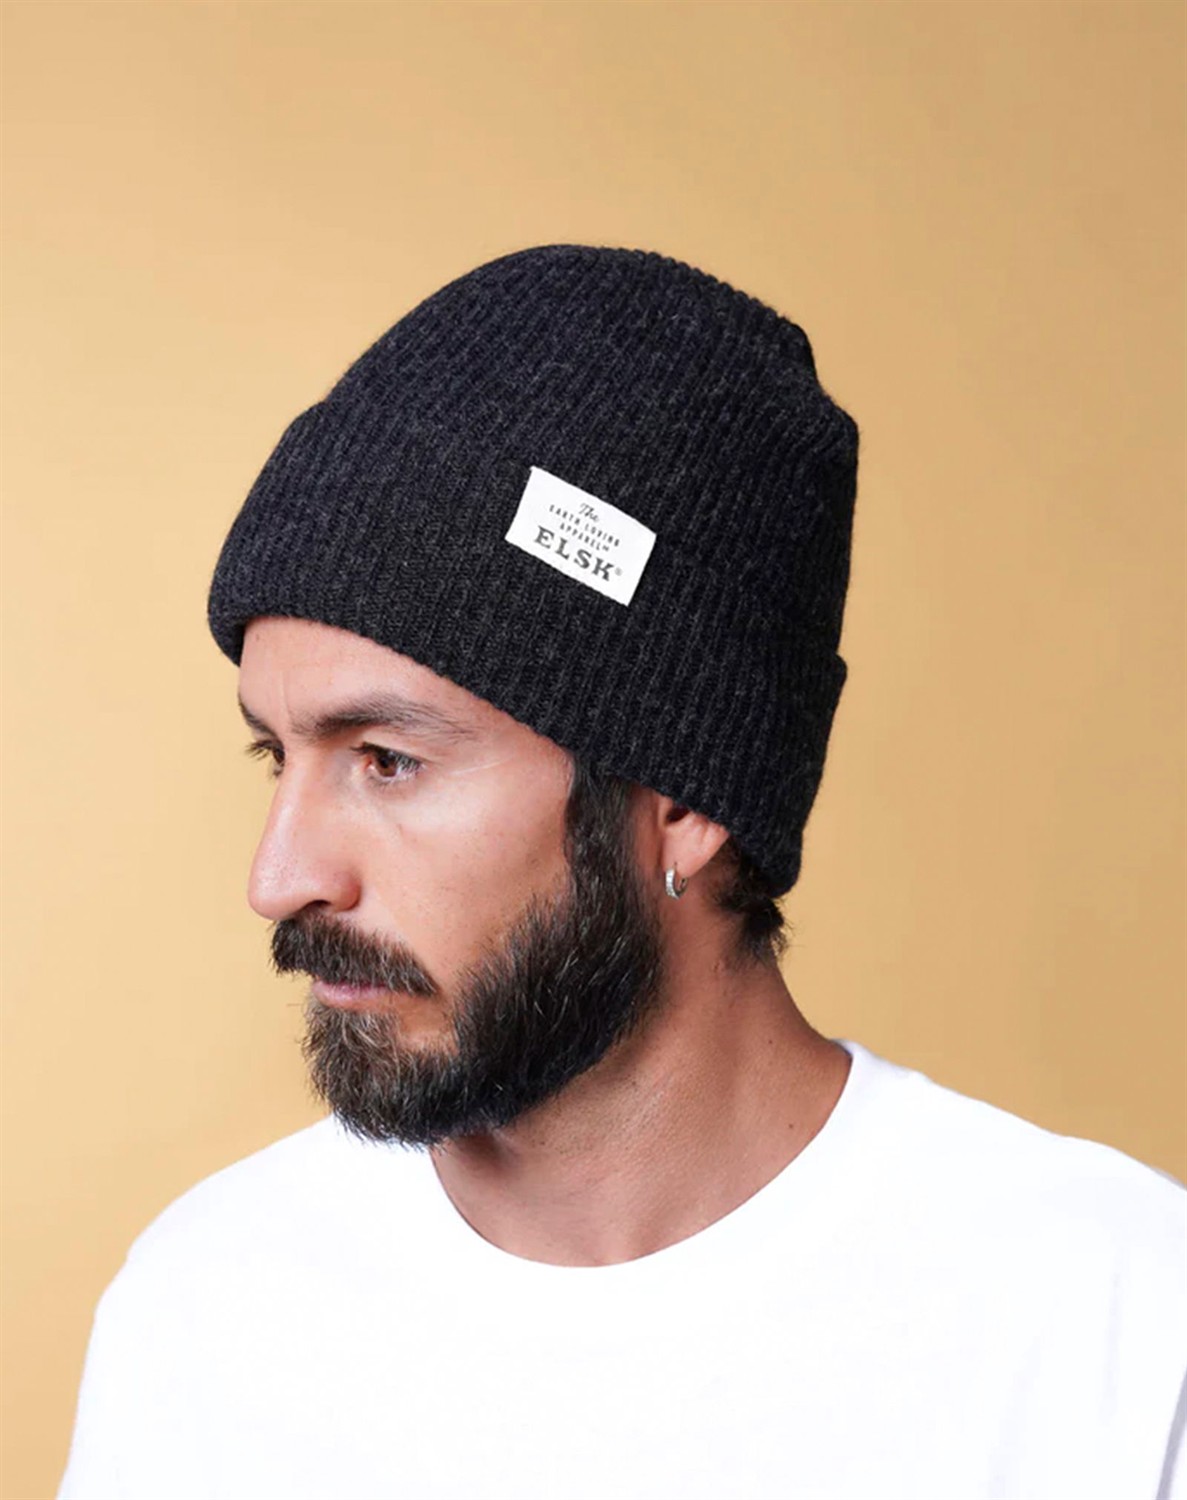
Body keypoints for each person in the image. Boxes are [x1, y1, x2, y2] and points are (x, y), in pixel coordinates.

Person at [58, 244, 1185, 1499]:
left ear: (683, 799)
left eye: (386, 760)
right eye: (277, 755)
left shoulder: (1114, 1327)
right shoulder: (207, 1316)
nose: (279, 879)